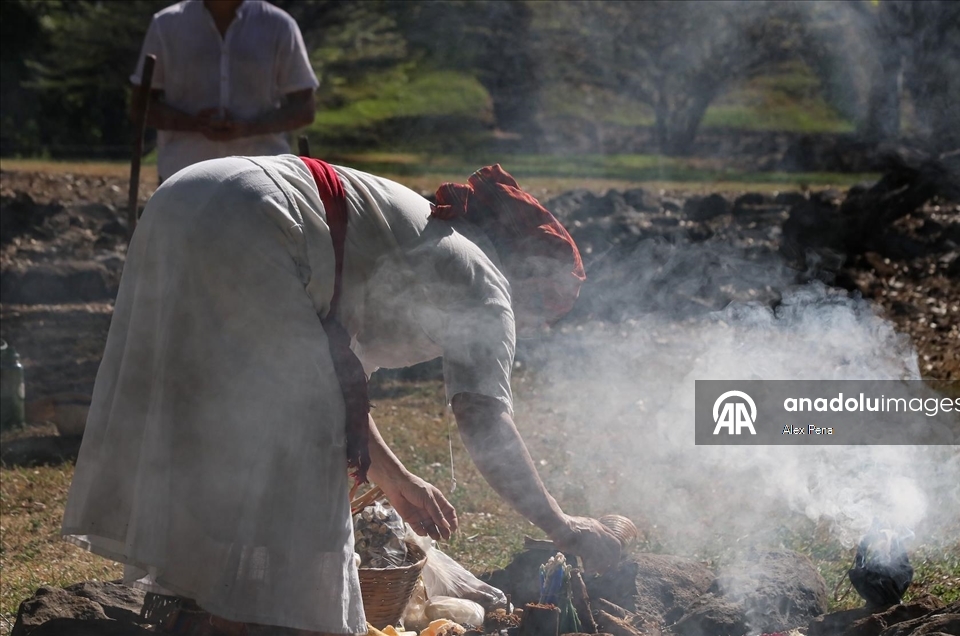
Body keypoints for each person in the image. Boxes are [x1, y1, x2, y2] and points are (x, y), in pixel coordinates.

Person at [62, 155, 623, 635]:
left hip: (184, 198)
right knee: (298, 453)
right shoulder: (489, 287)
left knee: (214, 418)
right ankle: (271, 619)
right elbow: (483, 419)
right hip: (257, 220)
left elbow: (334, 381)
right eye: (542, 314)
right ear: (527, 277)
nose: (530, 328)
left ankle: (201, 604)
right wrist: (563, 527)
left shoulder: (433, 243)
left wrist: (397, 479)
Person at [131, 0, 318, 181]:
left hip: (262, 178)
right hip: (184, 179)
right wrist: (194, 123)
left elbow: (304, 108)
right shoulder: (166, 24)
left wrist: (249, 128)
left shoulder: (279, 25)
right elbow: (141, 105)